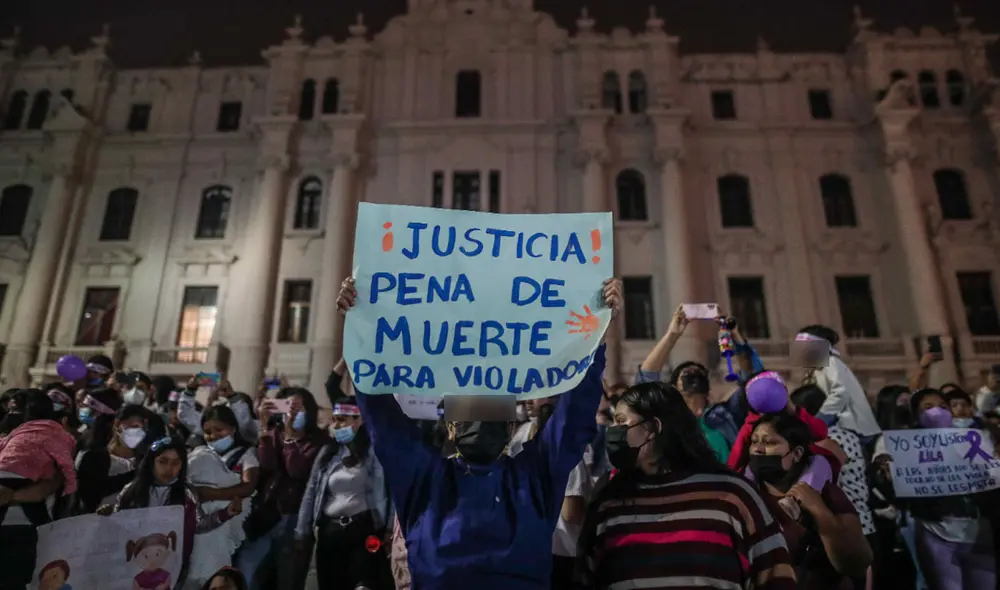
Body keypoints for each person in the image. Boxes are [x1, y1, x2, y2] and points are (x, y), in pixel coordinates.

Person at [336, 275, 621, 590]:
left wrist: (598, 329)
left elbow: (574, 417)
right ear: (451, 427)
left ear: (511, 426)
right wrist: (357, 327)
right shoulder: (430, 476)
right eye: (470, 415)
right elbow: (383, 423)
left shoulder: (528, 473)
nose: (479, 423)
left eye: (488, 414)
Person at [577, 381, 796, 590]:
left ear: (652, 428)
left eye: (621, 421)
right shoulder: (609, 504)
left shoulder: (733, 496)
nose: (612, 430)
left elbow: (775, 575)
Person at [747, 413, 872, 589]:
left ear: (797, 453)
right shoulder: (743, 495)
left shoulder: (828, 495)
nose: (758, 449)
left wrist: (819, 512)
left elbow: (857, 564)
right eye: (754, 442)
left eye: (769, 443)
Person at [102, 436, 242, 587]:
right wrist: (109, 513)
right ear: (151, 462)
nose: (169, 469)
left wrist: (225, 513)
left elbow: (198, 525)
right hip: (134, 566)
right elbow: (119, 522)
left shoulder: (186, 494)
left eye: (176, 463)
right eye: (163, 461)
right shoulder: (132, 491)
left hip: (173, 568)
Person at [237, 387, 328, 590]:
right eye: (287, 406)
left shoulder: (320, 441)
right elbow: (267, 465)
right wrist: (263, 425)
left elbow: (296, 470)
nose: (292, 413)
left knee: (287, 577)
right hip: (269, 513)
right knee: (248, 568)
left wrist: (290, 438)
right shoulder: (273, 434)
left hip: (297, 517)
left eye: (297, 407)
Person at [295, 395, 389, 590]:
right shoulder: (328, 453)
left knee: (364, 584)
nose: (336, 425)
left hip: (364, 529)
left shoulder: (375, 452)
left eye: (342, 419)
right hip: (330, 531)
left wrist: (389, 527)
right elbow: (311, 491)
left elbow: (390, 493)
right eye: (335, 419)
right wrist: (302, 530)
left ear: (359, 420)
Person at [185, 405, 259, 586]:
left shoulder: (246, 453)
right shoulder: (201, 455)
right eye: (208, 432)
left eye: (219, 429)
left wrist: (212, 494)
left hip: (229, 519)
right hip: (203, 524)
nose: (213, 436)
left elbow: (248, 486)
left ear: (233, 428)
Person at [0, 389, 77, 526]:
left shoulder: (52, 433)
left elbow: (45, 487)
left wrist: (69, 485)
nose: (10, 415)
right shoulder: (23, 433)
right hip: (23, 480)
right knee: (40, 520)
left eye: (15, 410)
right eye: (9, 411)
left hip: (9, 473)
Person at [796, 326, 881, 439]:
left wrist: (821, 418)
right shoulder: (815, 371)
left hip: (850, 427)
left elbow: (840, 392)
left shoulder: (831, 362)